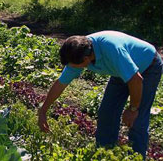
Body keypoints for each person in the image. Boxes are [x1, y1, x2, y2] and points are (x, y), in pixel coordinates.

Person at [38, 30, 162, 159]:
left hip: (148, 66)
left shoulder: (112, 49)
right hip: (120, 70)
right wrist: (43, 111)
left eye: (75, 66)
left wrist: (133, 108)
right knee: (106, 113)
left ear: (86, 59)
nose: (73, 68)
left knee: (137, 120)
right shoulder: (78, 52)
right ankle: (105, 154)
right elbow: (60, 84)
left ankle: (137, 157)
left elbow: (136, 80)